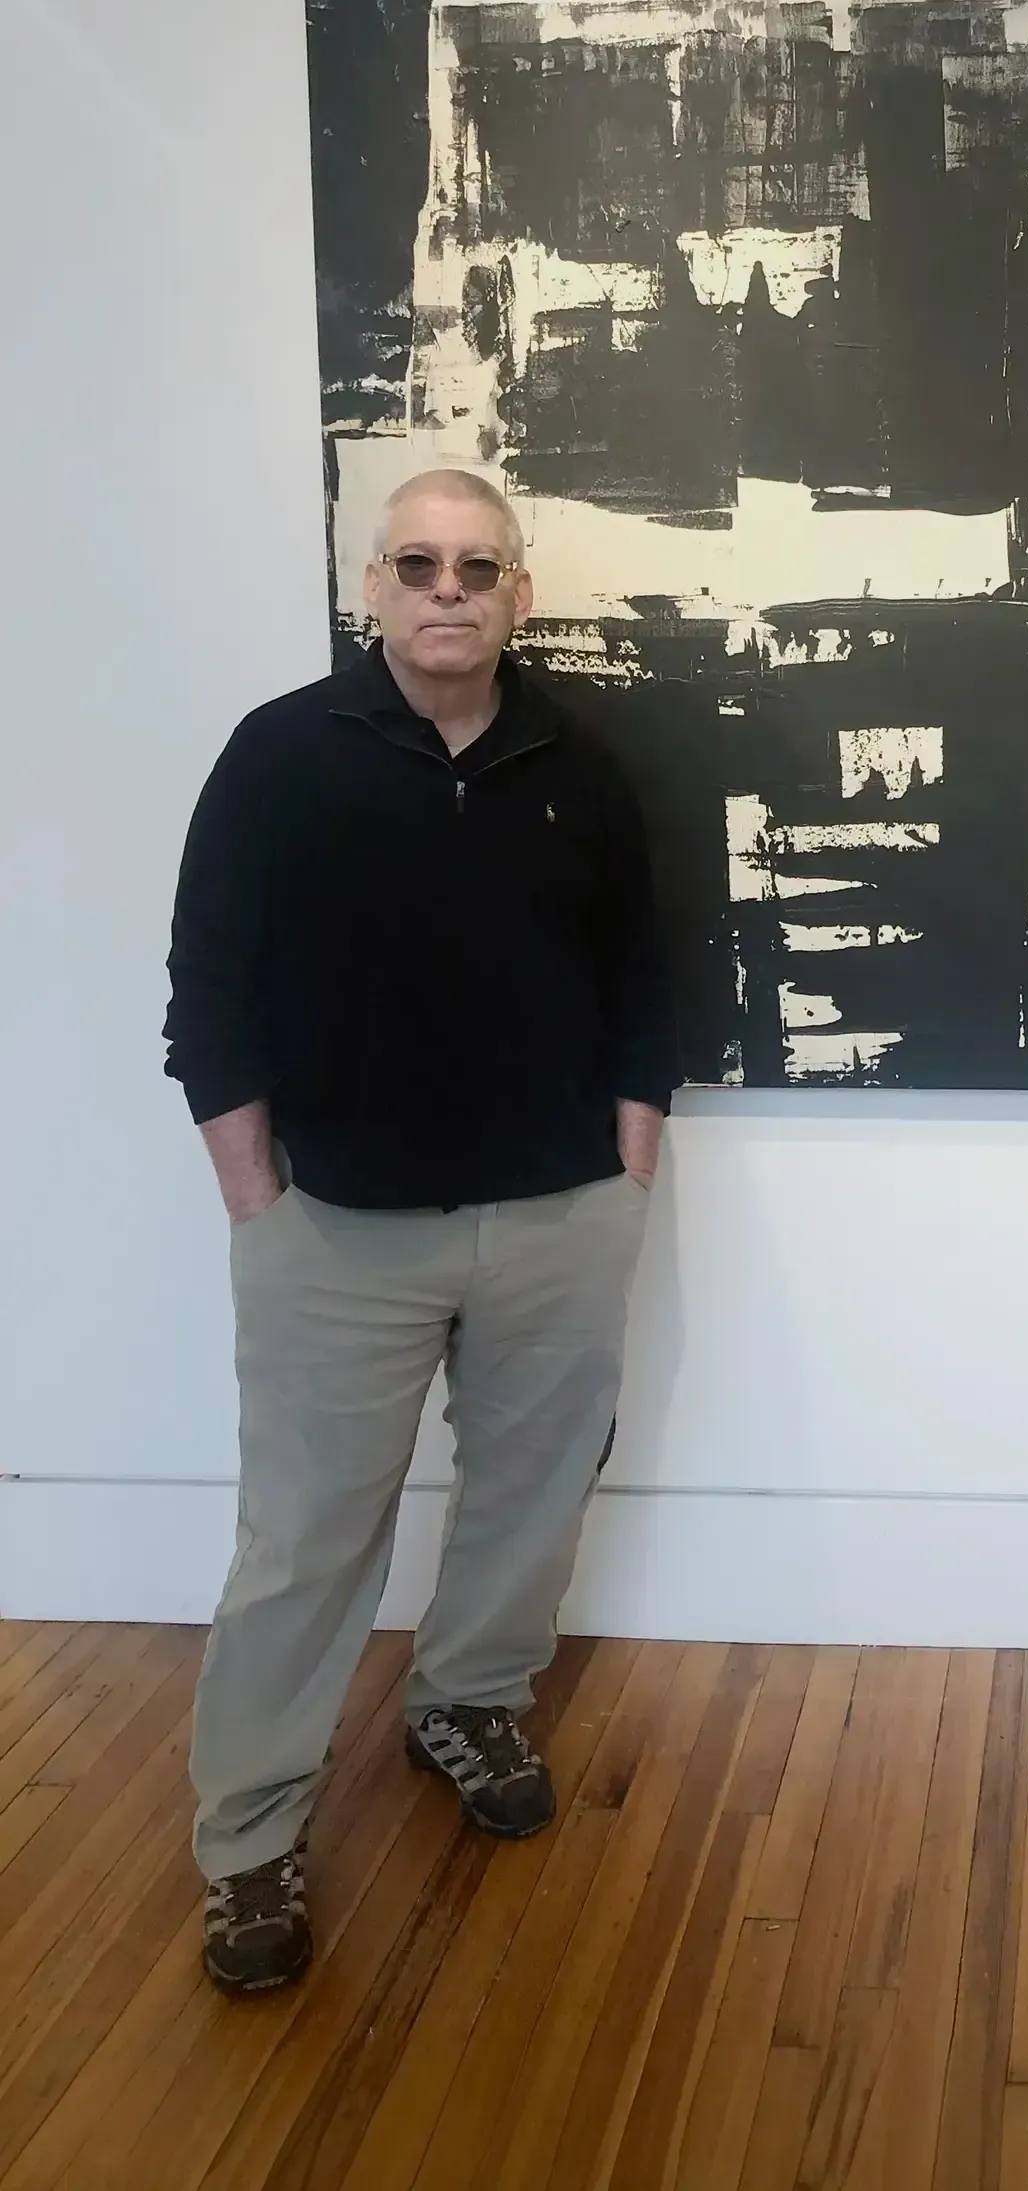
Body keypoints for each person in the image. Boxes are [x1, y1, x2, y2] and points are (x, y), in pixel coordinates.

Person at [163, 465, 675, 1995]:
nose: (449, 590)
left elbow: (645, 974)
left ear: (520, 594)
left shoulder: (585, 761)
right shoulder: (277, 757)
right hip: (336, 1227)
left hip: (557, 1212)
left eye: (477, 567)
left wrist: (625, 1166)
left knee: (529, 1492)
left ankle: (468, 1696)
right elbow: (209, 987)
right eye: (418, 564)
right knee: (305, 1538)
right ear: (372, 590)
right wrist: (256, 1195)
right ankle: (250, 1840)